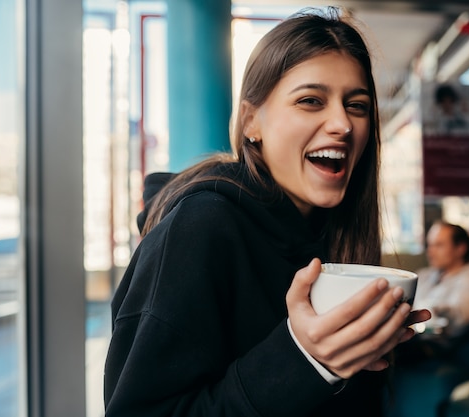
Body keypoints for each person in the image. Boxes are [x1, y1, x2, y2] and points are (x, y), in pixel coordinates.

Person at [103, 7, 430, 417]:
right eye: (311, 101)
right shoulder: (200, 228)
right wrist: (304, 361)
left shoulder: (333, 235)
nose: (343, 124)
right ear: (251, 122)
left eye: (357, 105)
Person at [411, 221, 469, 352]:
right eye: (429, 245)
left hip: (437, 347)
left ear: (461, 248)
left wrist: (432, 309)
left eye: (439, 245)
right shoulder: (424, 275)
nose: (430, 252)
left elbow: (460, 317)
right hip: (414, 338)